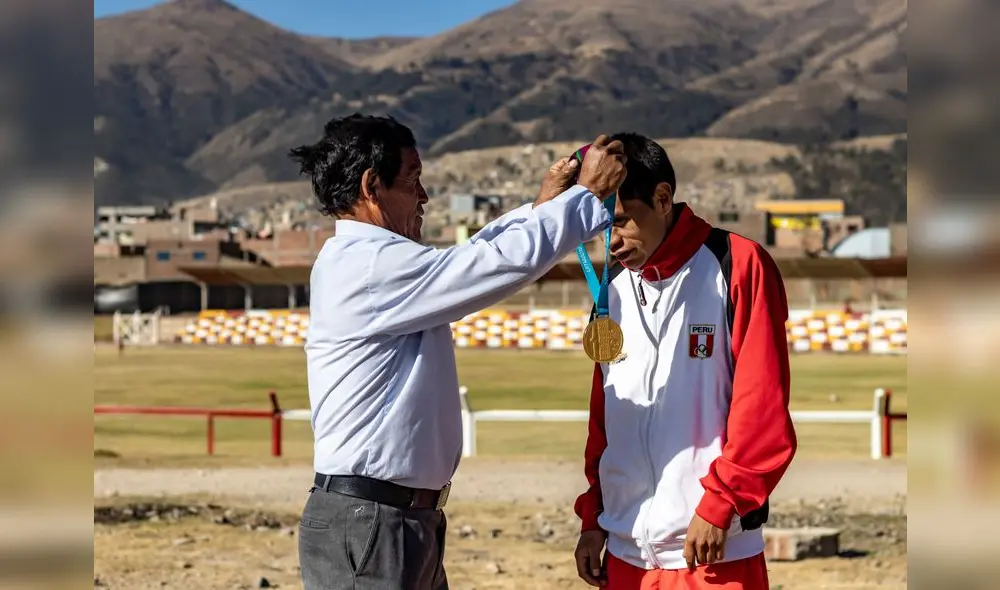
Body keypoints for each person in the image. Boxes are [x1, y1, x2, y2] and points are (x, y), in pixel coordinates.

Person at [288, 113, 628, 590]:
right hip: (373, 521)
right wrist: (584, 199)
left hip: (397, 519)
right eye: (413, 181)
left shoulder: (375, 261)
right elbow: (484, 267)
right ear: (372, 186)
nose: (424, 197)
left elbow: (466, 262)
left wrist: (544, 208)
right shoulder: (368, 265)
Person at [572, 132, 797, 589]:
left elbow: (762, 408)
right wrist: (594, 515)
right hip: (625, 551)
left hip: (713, 554)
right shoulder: (611, 287)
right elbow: (607, 416)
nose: (611, 242)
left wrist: (721, 505)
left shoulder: (737, 264)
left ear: (662, 198)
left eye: (622, 221)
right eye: (602, 229)